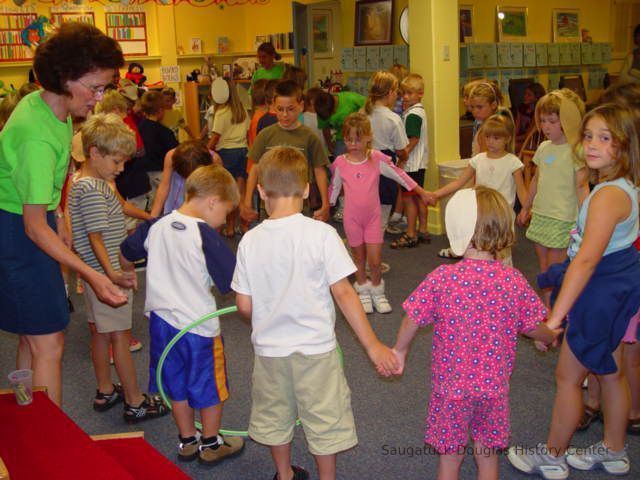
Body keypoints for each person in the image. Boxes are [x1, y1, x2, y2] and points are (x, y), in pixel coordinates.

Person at [231, 147, 397, 480]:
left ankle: (285, 474)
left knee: (276, 416)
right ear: (307, 189)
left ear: (261, 191)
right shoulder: (322, 235)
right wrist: (374, 345)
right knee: (325, 419)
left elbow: (244, 306)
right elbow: (345, 293)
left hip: (270, 352)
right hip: (316, 350)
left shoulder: (249, 240)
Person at [508, 103, 640, 479]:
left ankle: (552, 454)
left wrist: (553, 319)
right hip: (618, 286)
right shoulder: (620, 186)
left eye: (605, 138)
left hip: (600, 292)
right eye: (589, 135)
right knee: (610, 369)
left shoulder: (607, 196)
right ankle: (614, 450)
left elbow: (585, 261)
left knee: (568, 376)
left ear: (625, 145)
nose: (593, 144)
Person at [0, 22, 129, 406]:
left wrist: (63, 217)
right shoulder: (36, 134)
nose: (100, 98)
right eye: (95, 87)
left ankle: (27, 416)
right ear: (66, 78)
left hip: (25, 226)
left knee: (32, 333)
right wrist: (92, 274)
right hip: (17, 234)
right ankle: (49, 445)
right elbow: (33, 226)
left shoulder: (49, 108)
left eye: (105, 88)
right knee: (49, 342)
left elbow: (55, 183)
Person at [392, 186, 559, 480]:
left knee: (450, 459)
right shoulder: (513, 280)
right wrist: (549, 337)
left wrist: (400, 350)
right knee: (487, 456)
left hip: (450, 390)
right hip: (493, 390)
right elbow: (533, 326)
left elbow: (412, 318)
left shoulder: (443, 278)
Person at [120, 164, 245, 464]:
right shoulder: (205, 235)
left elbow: (126, 252)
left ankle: (187, 440)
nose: (224, 219)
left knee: (175, 384)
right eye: (226, 212)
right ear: (213, 201)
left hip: (162, 325)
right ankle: (212, 444)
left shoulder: (157, 224)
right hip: (198, 329)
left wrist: (126, 273)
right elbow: (232, 283)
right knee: (209, 387)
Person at [68, 113, 167, 422]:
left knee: (100, 333)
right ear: (94, 152)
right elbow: (95, 237)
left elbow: (121, 205)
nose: (121, 169)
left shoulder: (90, 181)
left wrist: (147, 216)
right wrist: (112, 276)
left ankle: (105, 389)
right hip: (108, 277)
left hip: (93, 276)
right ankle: (136, 401)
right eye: (117, 162)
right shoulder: (94, 191)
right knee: (120, 337)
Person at [329, 113, 432, 314]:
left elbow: (400, 175)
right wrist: (327, 206)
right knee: (358, 259)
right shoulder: (341, 162)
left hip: (373, 219)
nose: (353, 144)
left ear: (369, 137)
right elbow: (334, 187)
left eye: (358, 139)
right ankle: (363, 290)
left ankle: (377, 290)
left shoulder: (376, 159)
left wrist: (421, 191)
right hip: (352, 219)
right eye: (349, 140)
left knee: (375, 261)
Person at [516, 89, 590, 307]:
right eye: (543, 120)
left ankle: (553, 312)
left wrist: (586, 219)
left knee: (555, 269)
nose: (546, 126)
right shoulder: (543, 147)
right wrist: (526, 206)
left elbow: (582, 187)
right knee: (544, 268)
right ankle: (548, 307)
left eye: (552, 121)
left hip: (563, 218)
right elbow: (537, 180)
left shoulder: (576, 151)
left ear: (568, 120)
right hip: (541, 215)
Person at [432, 114, 527, 266]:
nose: (491, 142)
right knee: (479, 250)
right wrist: (436, 194)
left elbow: (521, 191)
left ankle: (504, 282)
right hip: (480, 214)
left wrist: (526, 209)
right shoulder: (478, 159)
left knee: (503, 253)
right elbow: (458, 182)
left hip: (503, 215)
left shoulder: (513, 162)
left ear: (507, 139)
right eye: (487, 137)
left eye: (496, 138)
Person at [240, 80, 330, 223]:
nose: (285, 115)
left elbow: (319, 170)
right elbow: (254, 168)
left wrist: (325, 204)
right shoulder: (265, 135)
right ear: (273, 107)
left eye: (290, 109)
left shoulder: (309, 136)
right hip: (269, 206)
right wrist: (247, 201)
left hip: (299, 205)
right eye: (280, 109)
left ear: (301, 106)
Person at [365, 71, 409, 233]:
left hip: (364, 164)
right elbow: (401, 150)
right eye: (396, 91)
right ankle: (374, 242)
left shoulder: (363, 114)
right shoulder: (392, 119)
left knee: (368, 209)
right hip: (384, 166)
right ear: (390, 93)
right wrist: (403, 160)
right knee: (382, 212)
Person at [390, 73, 430, 249]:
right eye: (403, 93)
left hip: (411, 164)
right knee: (420, 197)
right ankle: (423, 230)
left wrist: (403, 156)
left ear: (420, 93)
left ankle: (411, 234)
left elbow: (413, 138)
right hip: (420, 164)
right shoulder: (420, 111)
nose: (405, 97)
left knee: (408, 199)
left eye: (410, 93)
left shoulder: (413, 115)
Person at [207, 78, 250, 237]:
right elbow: (247, 133)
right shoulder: (242, 111)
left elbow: (215, 137)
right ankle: (245, 225)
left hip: (226, 154)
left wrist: (205, 151)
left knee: (228, 194)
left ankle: (230, 227)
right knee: (242, 193)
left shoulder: (221, 112)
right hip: (242, 151)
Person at [149, 140, 213, 217]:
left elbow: (217, 193)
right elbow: (164, 186)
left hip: (200, 201)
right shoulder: (171, 156)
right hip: (174, 201)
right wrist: (152, 218)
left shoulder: (214, 160)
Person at [138, 90, 179, 202]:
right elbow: (176, 155)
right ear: (160, 110)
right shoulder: (165, 132)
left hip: (143, 175)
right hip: (161, 174)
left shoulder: (138, 128)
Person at [314, 89, 366, 157]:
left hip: (360, 135)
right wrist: (330, 145)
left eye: (332, 113)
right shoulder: (322, 109)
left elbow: (370, 106)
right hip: (342, 137)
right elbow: (325, 128)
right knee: (339, 159)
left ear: (334, 104)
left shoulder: (351, 98)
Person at [514, 82, 546, 153]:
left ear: (537, 97)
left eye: (529, 95)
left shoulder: (538, 112)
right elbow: (516, 128)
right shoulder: (521, 108)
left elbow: (528, 135)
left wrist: (514, 139)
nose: (525, 96)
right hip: (520, 139)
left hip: (532, 142)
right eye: (525, 93)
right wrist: (512, 137)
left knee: (512, 147)